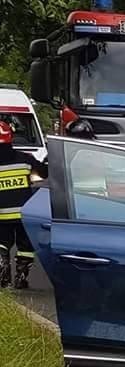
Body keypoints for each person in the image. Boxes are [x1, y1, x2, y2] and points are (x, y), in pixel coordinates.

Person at [0, 120, 46, 289]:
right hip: (24, 214)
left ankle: (3, 273)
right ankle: (21, 276)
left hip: (2, 215)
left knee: (2, 243)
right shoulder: (25, 159)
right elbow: (43, 172)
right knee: (25, 247)